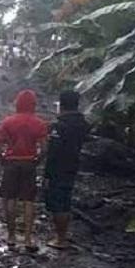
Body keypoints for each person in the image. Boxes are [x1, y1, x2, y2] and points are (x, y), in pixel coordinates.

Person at [0, 89, 48, 249]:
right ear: (33, 104)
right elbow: (45, 148)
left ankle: (11, 236)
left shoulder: (8, 122)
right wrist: (37, 161)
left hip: (11, 162)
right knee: (28, 201)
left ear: (17, 103)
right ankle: (27, 239)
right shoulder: (39, 123)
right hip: (29, 163)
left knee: (10, 198)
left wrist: (2, 160)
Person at [44, 90, 90, 249]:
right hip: (73, 165)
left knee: (58, 203)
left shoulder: (59, 126)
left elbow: (53, 152)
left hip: (59, 168)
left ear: (61, 105)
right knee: (65, 200)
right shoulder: (83, 124)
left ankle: (60, 238)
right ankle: (62, 234)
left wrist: (47, 173)